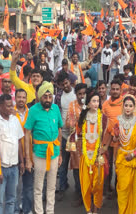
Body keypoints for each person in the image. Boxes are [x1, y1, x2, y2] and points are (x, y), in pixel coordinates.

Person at [24, 81, 63, 214]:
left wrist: (60, 153)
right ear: (40, 96)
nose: (47, 99)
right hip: (39, 153)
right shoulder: (33, 110)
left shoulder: (56, 109)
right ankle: (39, 212)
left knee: (52, 186)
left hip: (54, 152)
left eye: (49, 96)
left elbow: (60, 129)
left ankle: (50, 211)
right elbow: (27, 133)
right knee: (38, 187)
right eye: (45, 96)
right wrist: (28, 159)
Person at [103, 95, 136, 214]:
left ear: (134, 107)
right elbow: (116, 141)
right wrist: (115, 138)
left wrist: (133, 154)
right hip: (122, 158)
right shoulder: (118, 121)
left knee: (134, 190)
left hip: (133, 160)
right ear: (123, 107)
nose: (128, 108)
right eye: (126, 105)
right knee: (122, 189)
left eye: (131, 106)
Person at [77, 89, 107, 214]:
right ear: (88, 103)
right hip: (85, 156)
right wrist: (80, 152)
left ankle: (95, 211)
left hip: (98, 158)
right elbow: (78, 136)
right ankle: (88, 210)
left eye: (97, 101)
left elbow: (108, 134)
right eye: (93, 101)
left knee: (98, 186)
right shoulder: (83, 117)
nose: (96, 103)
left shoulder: (103, 118)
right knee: (86, 185)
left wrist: (104, 148)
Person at [0, 94, 24, 214]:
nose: (11, 108)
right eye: (8, 106)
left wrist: (21, 162)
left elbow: (19, 142)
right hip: (2, 168)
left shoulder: (15, 120)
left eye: (12, 105)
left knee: (11, 199)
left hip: (14, 167)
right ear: (0, 106)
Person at [66, 83, 87, 207]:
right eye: (79, 94)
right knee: (76, 168)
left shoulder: (89, 105)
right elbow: (68, 123)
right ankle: (79, 193)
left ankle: (86, 194)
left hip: (88, 142)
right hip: (75, 141)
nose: (82, 96)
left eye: (84, 93)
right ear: (76, 94)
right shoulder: (71, 105)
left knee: (87, 168)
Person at [57, 71, 76, 201]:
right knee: (63, 164)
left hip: (75, 136)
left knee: (75, 165)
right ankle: (62, 188)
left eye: (66, 83)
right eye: (63, 84)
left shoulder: (76, 93)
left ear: (70, 81)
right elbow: (58, 113)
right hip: (63, 136)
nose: (65, 86)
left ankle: (79, 191)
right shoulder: (58, 97)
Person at [102, 79, 123, 196]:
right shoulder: (105, 104)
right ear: (110, 90)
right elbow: (103, 123)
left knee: (119, 166)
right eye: (113, 89)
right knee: (107, 164)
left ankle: (117, 190)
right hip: (108, 140)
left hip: (121, 140)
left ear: (120, 90)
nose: (115, 91)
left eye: (117, 89)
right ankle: (106, 189)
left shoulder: (125, 103)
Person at [14, 89, 34, 214]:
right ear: (15, 98)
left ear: (26, 99)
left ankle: (27, 209)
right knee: (15, 186)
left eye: (23, 97)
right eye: (19, 97)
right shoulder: (10, 113)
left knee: (28, 185)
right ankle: (15, 210)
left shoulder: (31, 113)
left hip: (29, 154)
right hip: (14, 154)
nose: (21, 99)